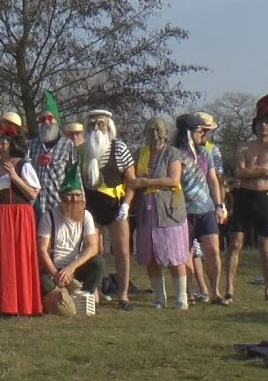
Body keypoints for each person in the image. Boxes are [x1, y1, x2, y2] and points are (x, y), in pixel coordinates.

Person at [225, 86, 268, 303]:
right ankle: (229, 289)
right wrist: (264, 171)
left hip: (265, 199)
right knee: (235, 243)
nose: (262, 125)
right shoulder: (245, 147)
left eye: (267, 122)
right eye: (259, 122)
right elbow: (239, 172)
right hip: (244, 197)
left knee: (265, 245)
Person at [0, 128, 42, 316]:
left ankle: (21, 304)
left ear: (12, 145)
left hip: (18, 215)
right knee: (2, 259)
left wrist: (15, 177)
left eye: (3, 144)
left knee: (18, 258)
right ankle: (2, 303)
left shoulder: (23, 165)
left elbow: (33, 194)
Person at [133, 117, 192, 309]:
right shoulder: (140, 153)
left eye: (158, 130)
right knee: (150, 257)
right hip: (146, 212)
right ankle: (159, 298)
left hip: (169, 211)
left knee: (174, 256)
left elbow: (173, 180)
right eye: (150, 130)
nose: (154, 134)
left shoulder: (172, 152)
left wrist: (146, 182)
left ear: (166, 133)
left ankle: (181, 298)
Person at [81, 109, 137, 310]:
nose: (96, 128)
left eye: (101, 124)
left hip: (116, 206)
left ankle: (123, 294)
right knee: (94, 251)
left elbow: (132, 181)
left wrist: (126, 204)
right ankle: (95, 291)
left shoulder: (119, 148)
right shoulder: (83, 150)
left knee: (122, 251)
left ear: (108, 126)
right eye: (93, 124)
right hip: (91, 208)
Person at [174, 114, 226, 304]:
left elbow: (212, 179)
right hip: (183, 211)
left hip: (206, 209)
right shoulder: (175, 154)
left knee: (213, 251)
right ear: (188, 133)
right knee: (185, 254)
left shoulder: (205, 153)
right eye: (200, 131)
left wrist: (219, 205)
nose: (204, 134)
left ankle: (215, 293)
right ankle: (188, 294)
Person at [37, 166, 103, 298]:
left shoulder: (86, 216)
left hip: (75, 267)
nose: (75, 199)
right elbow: (42, 250)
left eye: (78, 195)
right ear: (62, 197)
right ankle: (59, 294)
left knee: (98, 263)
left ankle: (86, 295)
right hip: (53, 269)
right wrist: (56, 274)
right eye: (70, 195)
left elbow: (92, 247)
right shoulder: (48, 217)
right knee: (45, 285)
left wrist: (71, 268)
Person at [27, 92, 76, 222]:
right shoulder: (32, 144)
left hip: (59, 204)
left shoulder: (67, 145)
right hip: (35, 205)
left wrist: (76, 202)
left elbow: (74, 176)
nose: (46, 122)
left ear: (57, 120)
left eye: (50, 118)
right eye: (42, 119)